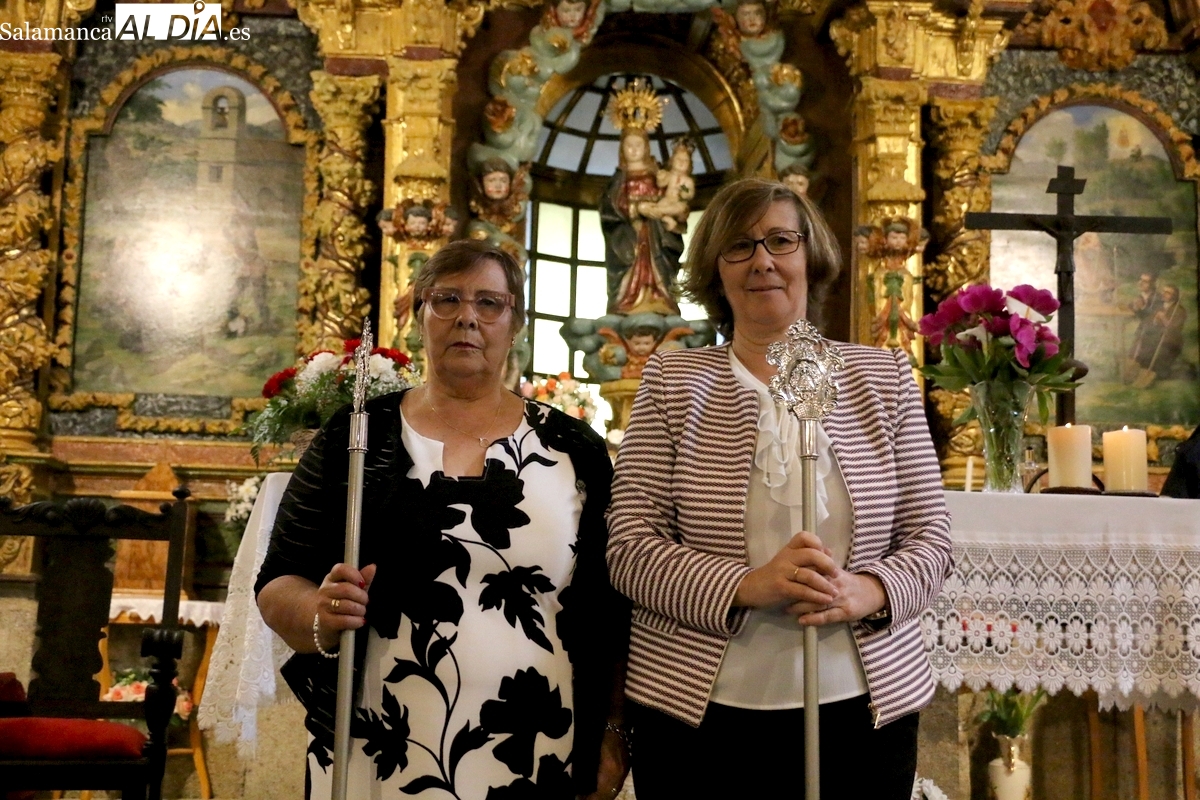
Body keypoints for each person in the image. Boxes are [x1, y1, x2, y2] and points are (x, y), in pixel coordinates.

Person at [606, 178, 951, 798]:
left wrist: (866, 590)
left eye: (780, 241)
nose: (762, 260)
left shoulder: (884, 377)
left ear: (808, 255)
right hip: (696, 710)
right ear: (716, 269)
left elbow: (931, 537)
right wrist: (747, 585)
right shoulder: (673, 380)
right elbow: (630, 548)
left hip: (862, 706)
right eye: (739, 246)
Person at [256, 239, 630, 800]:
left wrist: (613, 734)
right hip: (375, 742)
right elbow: (279, 579)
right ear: (420, 316)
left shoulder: (574, 448)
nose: (467, 318)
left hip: (537, 740)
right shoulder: (356, 433)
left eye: (489, 303)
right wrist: (321, 612)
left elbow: (611, 606)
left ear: (516, 321)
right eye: (446, 299)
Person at [600, 127, 685, 316]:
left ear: (646, 147)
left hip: (655, 232)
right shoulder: (618, 179)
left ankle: (659, 298)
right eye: (629, 145)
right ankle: (627, 300)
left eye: (638, 145)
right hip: (629, 236)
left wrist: (667, 211)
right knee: (631, 262)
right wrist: (636, 209)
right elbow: (609, 206)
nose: (633, 149)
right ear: (622, 148)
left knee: (658, 266)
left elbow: (673, 197)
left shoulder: (658, 174)